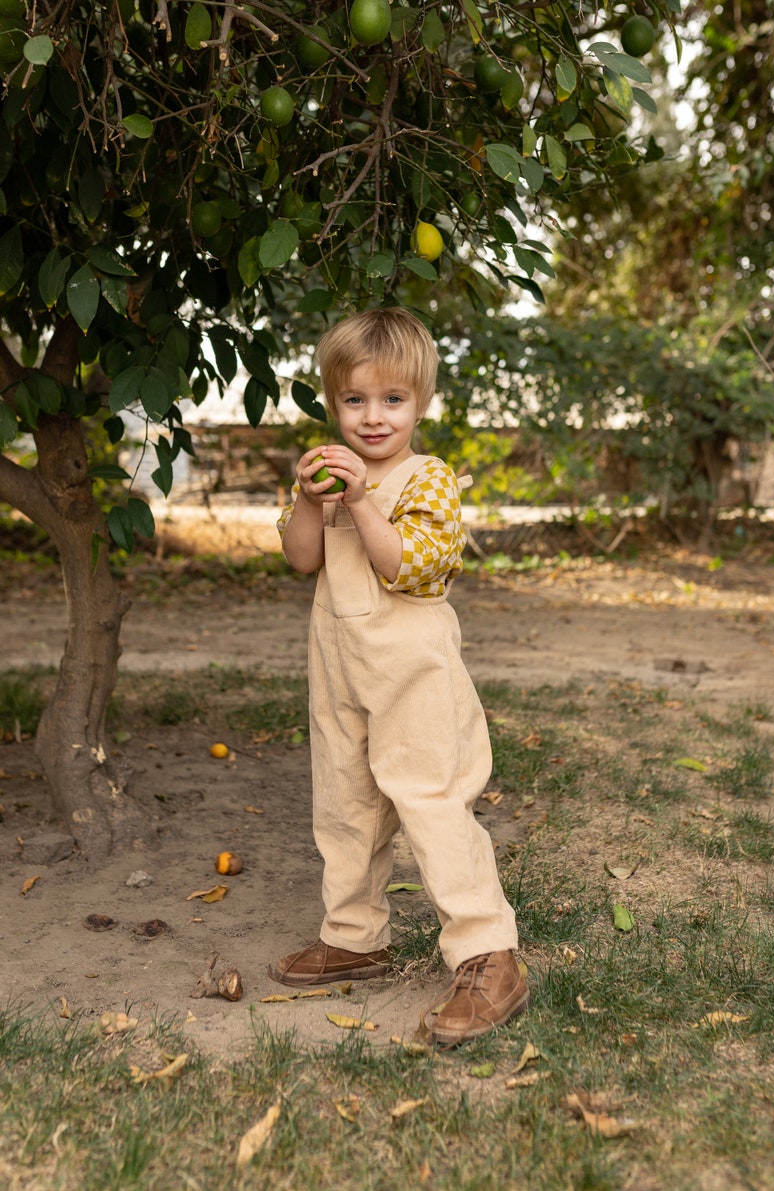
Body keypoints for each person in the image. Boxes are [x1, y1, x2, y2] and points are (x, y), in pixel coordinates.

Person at [271, 307, 528, 1046]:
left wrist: (357, 497)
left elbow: (408, 567)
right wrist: (309, 501)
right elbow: (300, 558)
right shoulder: (327, 477)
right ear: (333, 403)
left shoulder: (429, 479)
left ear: (421, 403)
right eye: (355, 400)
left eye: (393, 400)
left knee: (430, 797)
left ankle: (488, 952)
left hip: (412, 671)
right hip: (340, 670)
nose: (373, 417)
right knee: (344, 799)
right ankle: (355, 934)